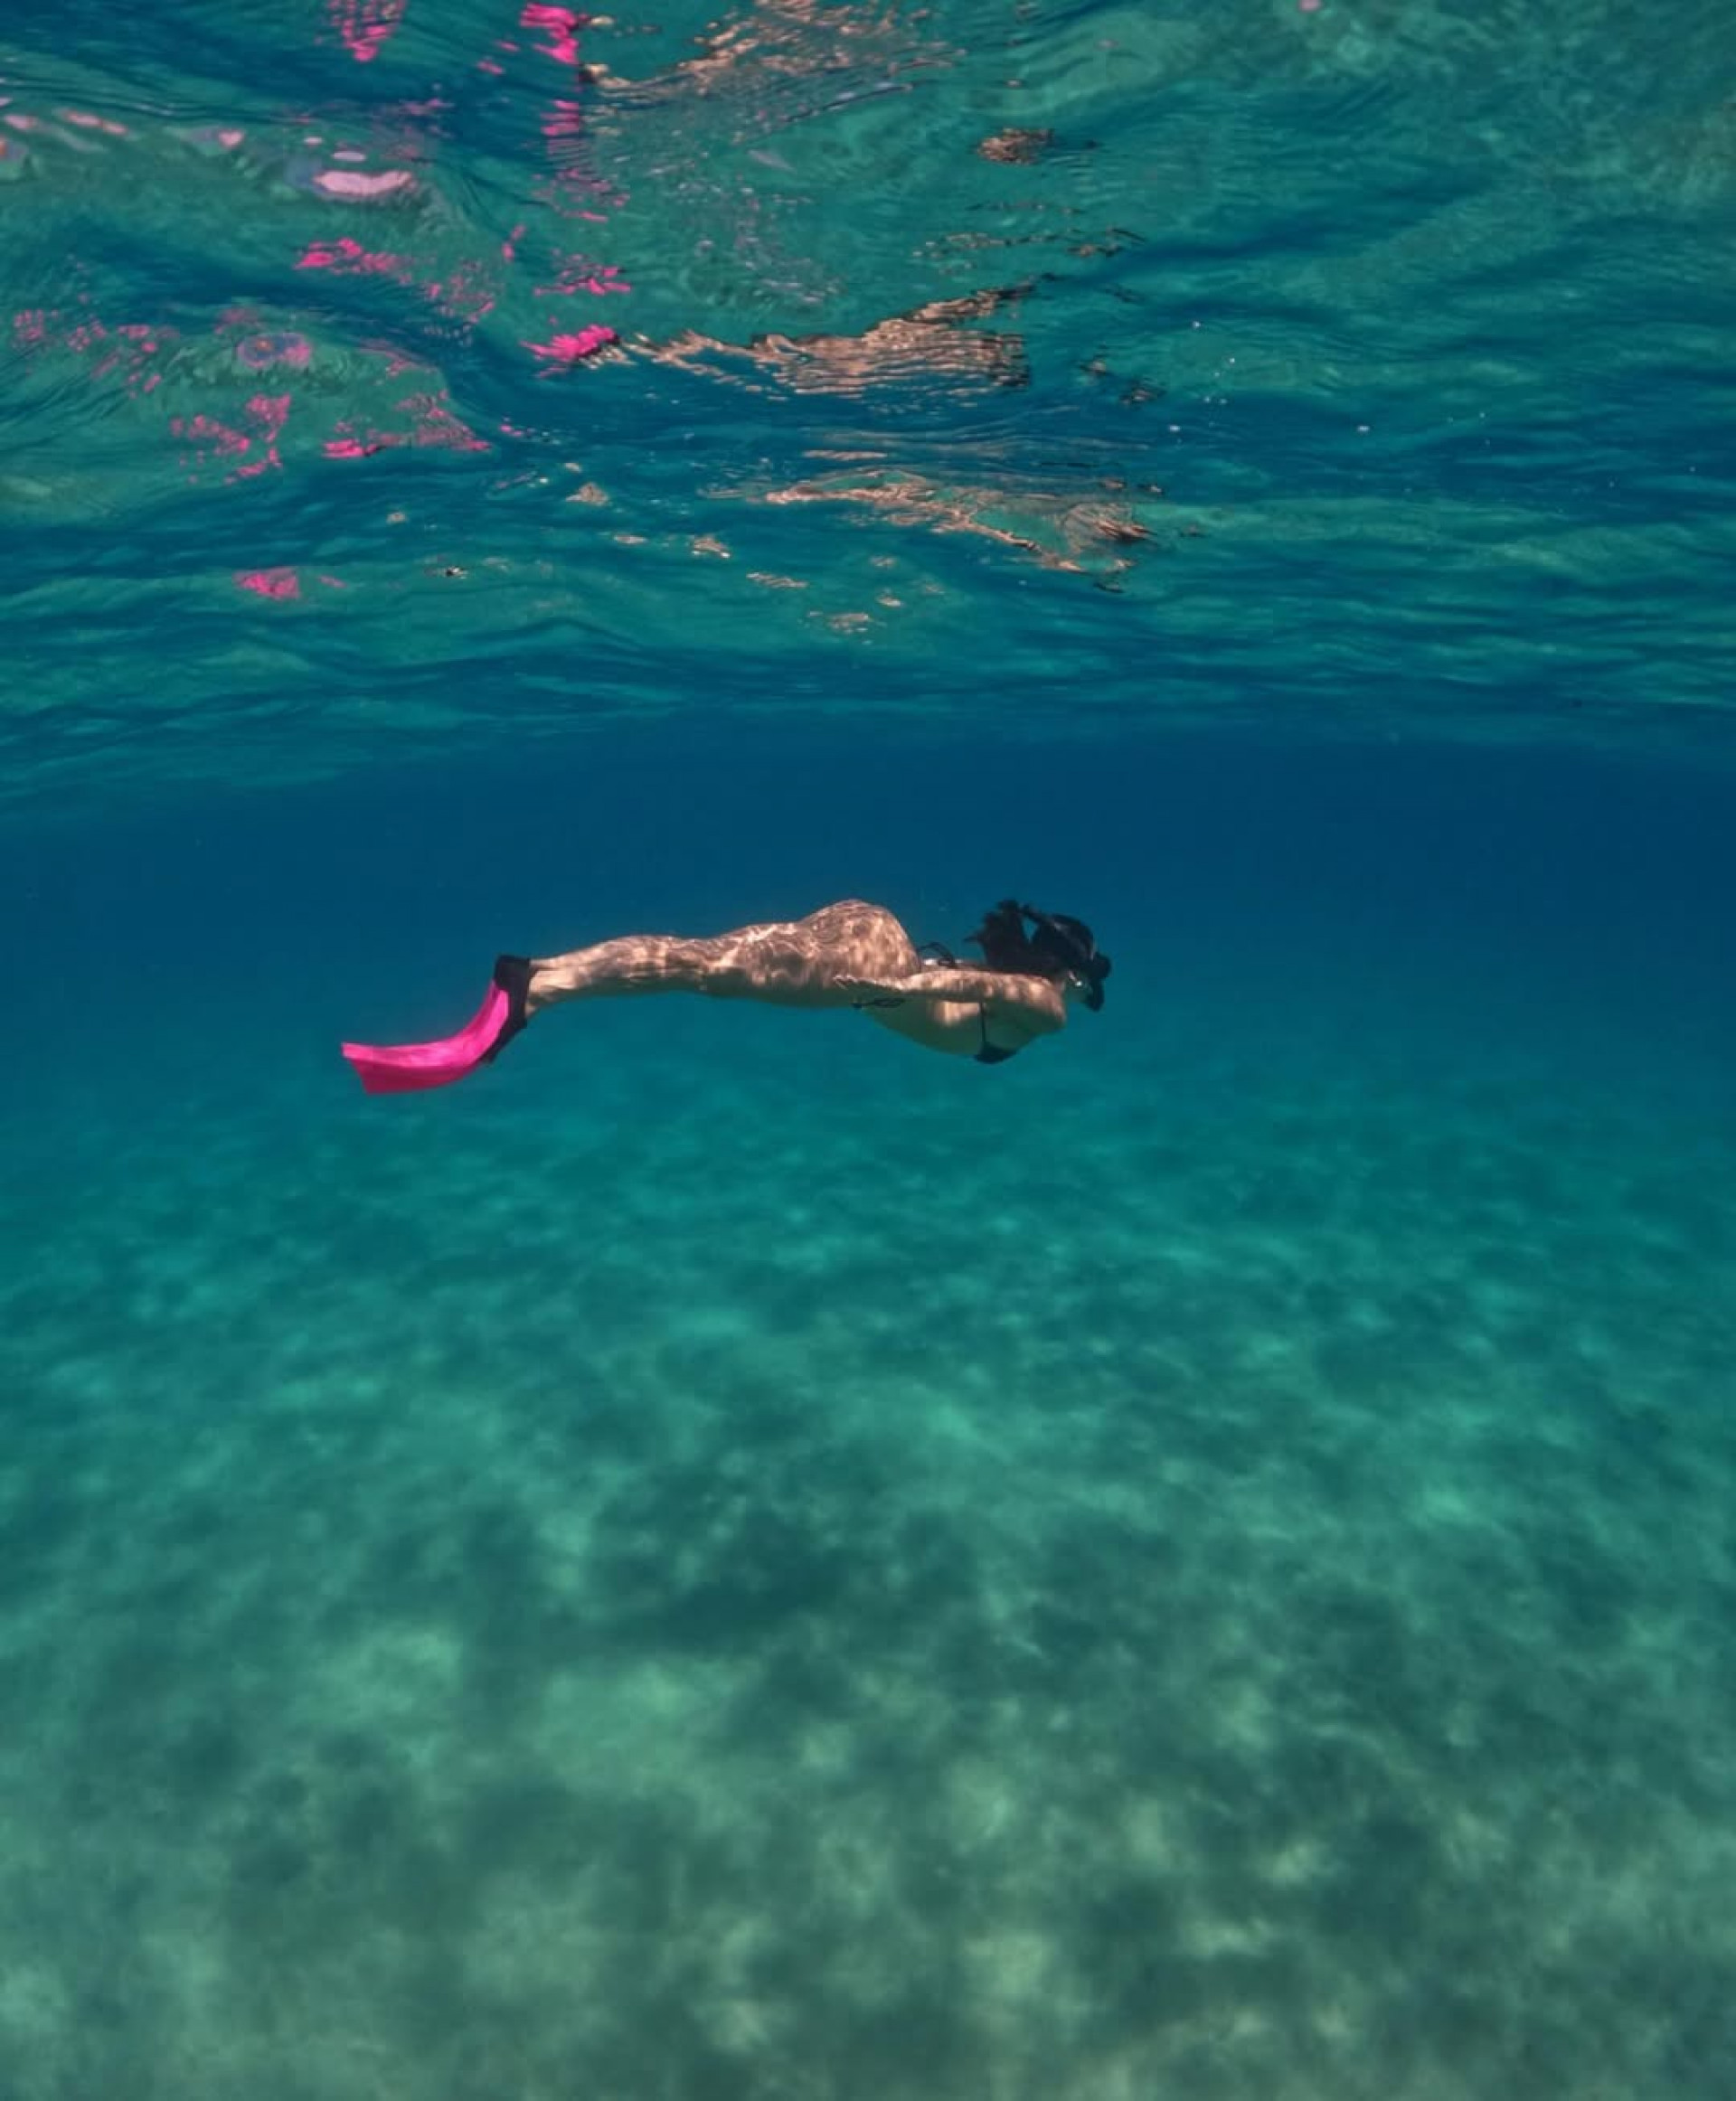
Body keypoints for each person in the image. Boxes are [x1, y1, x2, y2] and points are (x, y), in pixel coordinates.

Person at [340, 898, 1111, 1094]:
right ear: (1070, 975)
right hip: (878, 961)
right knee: (708, 970)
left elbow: (979, 980)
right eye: (1083, 983)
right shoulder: (1045, 1009)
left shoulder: (1033, 999)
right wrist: (907, 985)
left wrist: (905, 982)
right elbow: (982, 982)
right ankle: (536, 989)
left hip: (869, 930)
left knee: (707, 961)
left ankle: (540, 979)